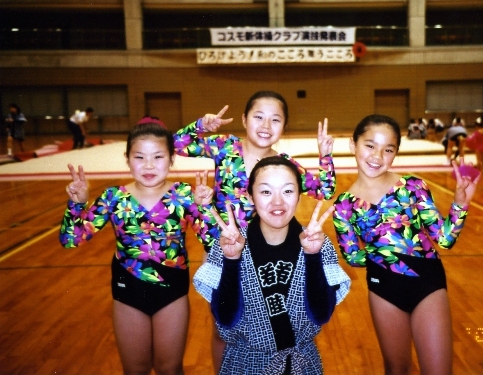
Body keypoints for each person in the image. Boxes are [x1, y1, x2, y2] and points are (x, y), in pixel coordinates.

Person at [173, 90, 336, 372]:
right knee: (224, 328)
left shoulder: (285, 164)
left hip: (268, 254)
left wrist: (326, 156)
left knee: (269, 323)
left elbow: (324, 189)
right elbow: (176, 144)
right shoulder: (225, 147)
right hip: (224, 251)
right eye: (258, 117)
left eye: (275, 119)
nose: (266, 125)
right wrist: (201, 125)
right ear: (244, 119)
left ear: (284, 126)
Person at [59, 116, 208, 375]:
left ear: (172, 159)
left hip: (172, 294)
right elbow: (71, 239)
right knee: (135, 370)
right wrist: (77, 204)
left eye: (158, 157)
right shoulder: (113, 197)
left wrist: (204, 208)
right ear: (127, 159)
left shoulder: (184, 195)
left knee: (170, 368)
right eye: (139, 157)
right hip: (127, 293)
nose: (148, 165)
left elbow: (213, 239)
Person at [332, 114, 479, 375]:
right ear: (352, 145)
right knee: (397, 369)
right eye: (370, 145)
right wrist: (385, 257)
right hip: (384, 289)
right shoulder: (343, 206)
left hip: (427, 284)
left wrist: (460, 205)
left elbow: (444, 239)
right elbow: (353, 257)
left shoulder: (413, 186)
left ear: (395, 154)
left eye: (388, 149)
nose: (377, 156)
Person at [194, 156, 350, 375]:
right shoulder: (229, 244)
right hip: (245, 364)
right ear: (250, 196)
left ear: (299, 195)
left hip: (302, 364)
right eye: (266, 192)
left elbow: (322, 314)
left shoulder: (318, 245)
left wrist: (312, 256)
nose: (277, 202)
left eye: (288, 191)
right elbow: (226, 318)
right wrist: (231, 260)